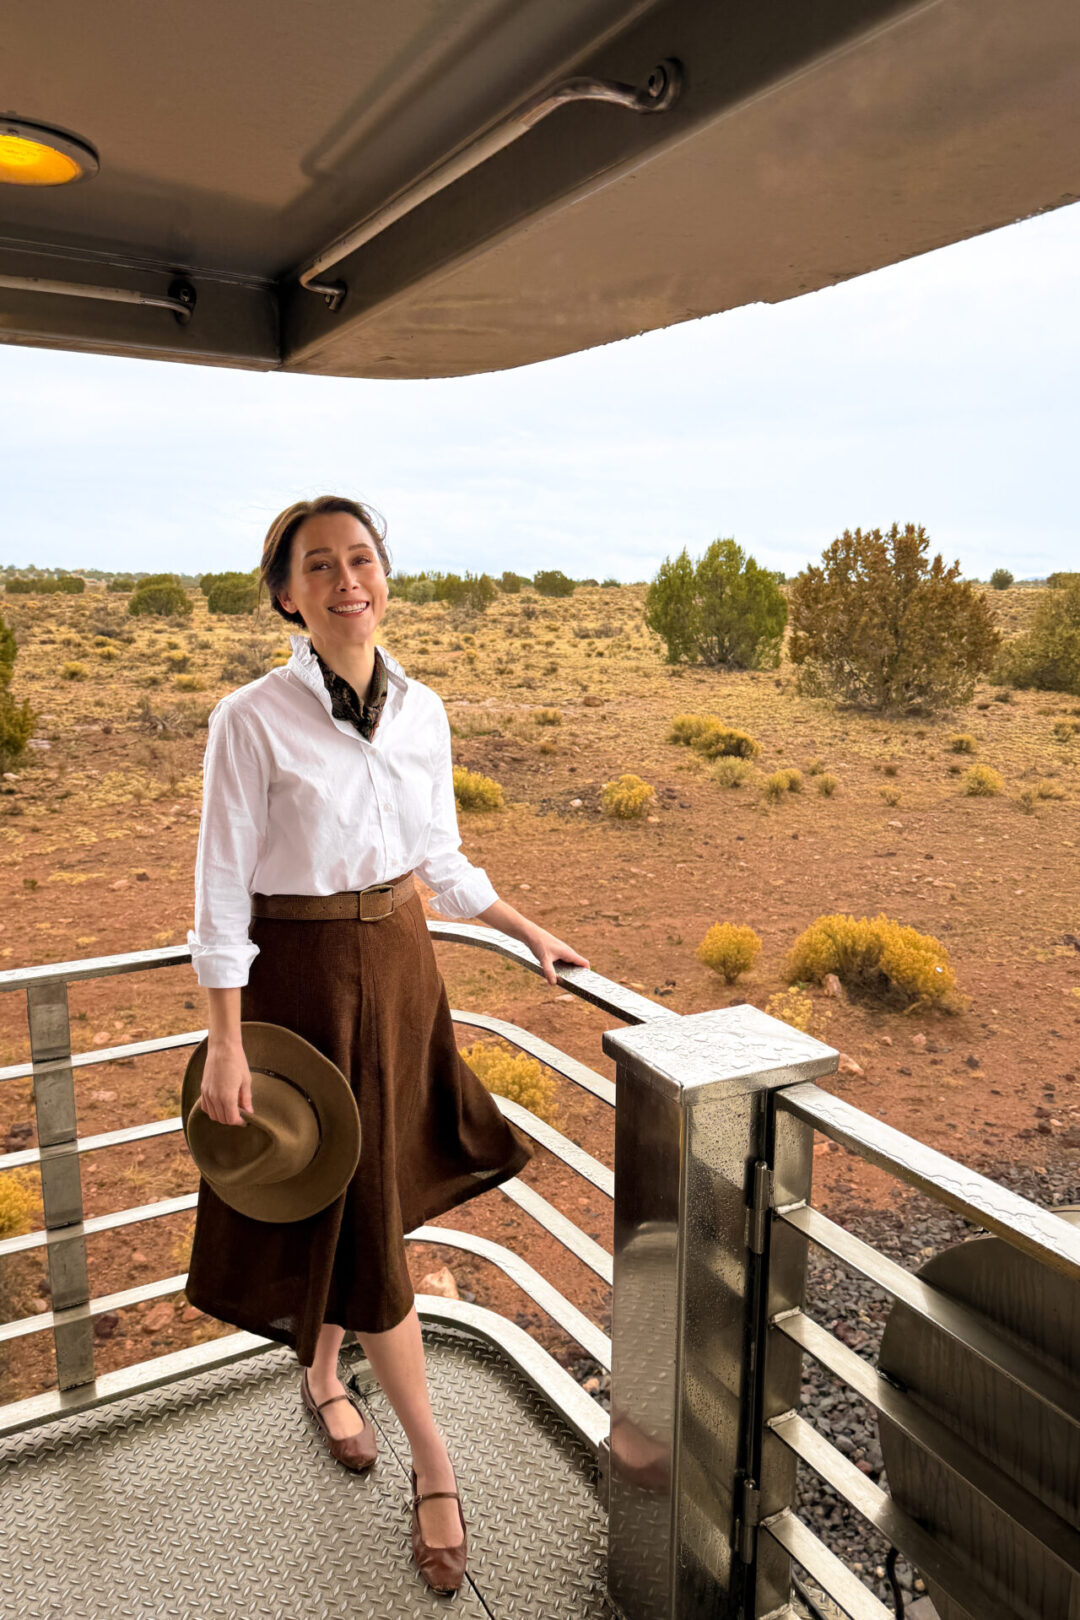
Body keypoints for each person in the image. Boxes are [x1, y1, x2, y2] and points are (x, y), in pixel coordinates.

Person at [183, 494, 590, 1594]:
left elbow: (441, 857)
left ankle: (325, 1378)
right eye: (320, 565)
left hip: (404, 970)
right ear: (286, 594)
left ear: (385, 575)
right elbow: (222, 894)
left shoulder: (422, 709)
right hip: (302, 984)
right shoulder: (249, 719)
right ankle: (436, 1461)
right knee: (354, 1211)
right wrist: (224, 1041)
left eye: (361, 558)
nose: (347, 579)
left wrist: (521, 928)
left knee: (356, 1201)